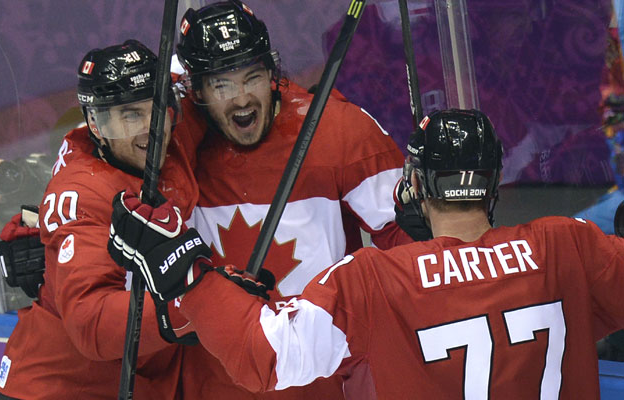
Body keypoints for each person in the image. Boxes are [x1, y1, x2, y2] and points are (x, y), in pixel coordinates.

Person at [110, 108, 624, 399]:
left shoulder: (372, 279)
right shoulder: (566, 246)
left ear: (414, 186)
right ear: (494, 184)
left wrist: (187, 275)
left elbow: (264, 357)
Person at [170, 1, 414, 398]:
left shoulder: (336, 129)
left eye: (252, 77)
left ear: (271, 73)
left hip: (330, 382)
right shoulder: (176, 145)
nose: (242, 98)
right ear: (196, 91)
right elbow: (106, 181)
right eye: (222, 86)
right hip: (219, 384)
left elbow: (411, 243)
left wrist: (424, 224)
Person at [0, 40, 206, 400]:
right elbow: (90, 321)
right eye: (130, 115)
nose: (150, 129)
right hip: (59, 388)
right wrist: (196, 306)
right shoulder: (81, 194)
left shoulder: (165, 142)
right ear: (95, 122)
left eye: (157, 109)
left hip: (138, 382)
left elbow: (202, 73)